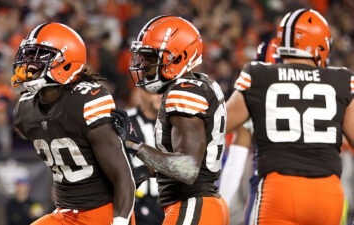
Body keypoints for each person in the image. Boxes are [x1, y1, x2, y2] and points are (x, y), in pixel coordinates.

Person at [225, 8, 354, 225]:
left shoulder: (259, 75)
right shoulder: (342, 79)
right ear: (322, 45)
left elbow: (216, 124)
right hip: (328, 194)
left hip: (279, 190)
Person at [11, 22, 135, 225]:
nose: (29, 64)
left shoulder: (85, 102)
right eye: (28, 55)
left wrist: (120, 221)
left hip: (101, 212)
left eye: (40, 56)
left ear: (66, 62)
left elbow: (123, 178)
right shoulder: (25, 110)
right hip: (64, 213)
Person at [112, 16, 229, 225]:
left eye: (151, 57)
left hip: (192, 205)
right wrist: (139, 172)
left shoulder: (183, 93)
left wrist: (132, 144)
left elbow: (186, 168)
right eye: (142, 57)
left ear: (179, 57)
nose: (142, 64)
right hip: (200, 205)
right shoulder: (200, 84)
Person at [219, 38, 280, 225]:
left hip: (269, 189)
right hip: (319, 186)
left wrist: (221, 209)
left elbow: (236, 150)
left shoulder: (256, 94)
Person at [126, 88, 164, 225]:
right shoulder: (125, 122)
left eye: (163, 90)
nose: (160, 95)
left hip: (168, 203)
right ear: (140, 91)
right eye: (154, 90)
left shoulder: (174, 123)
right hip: (138, 204)